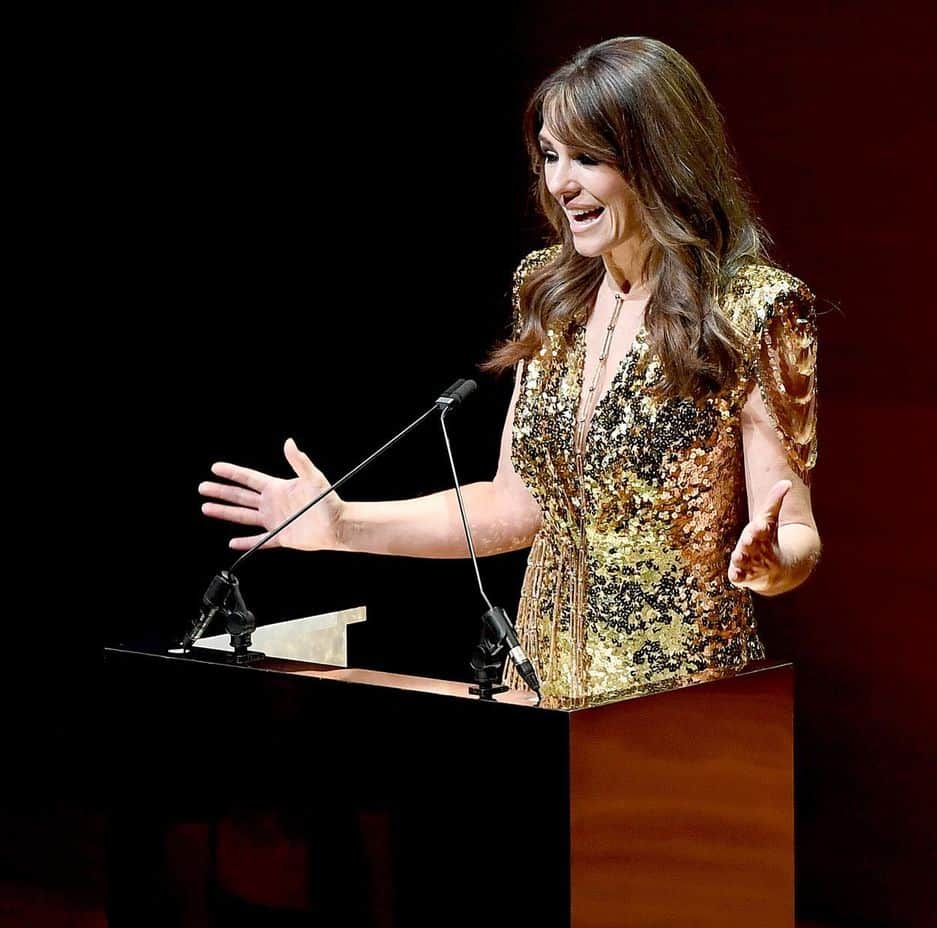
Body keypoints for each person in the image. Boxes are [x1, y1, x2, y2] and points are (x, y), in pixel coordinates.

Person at [199, 36, 821, 708]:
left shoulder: (752, 309)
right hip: (541, 697)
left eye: (587, 158)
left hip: (680, 706)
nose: (559, 183)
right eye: (550, 157)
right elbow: (512, 506)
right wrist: (341, 524)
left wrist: (773, 563)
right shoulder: (552, 293)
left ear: (657, 158)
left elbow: (795, 530)